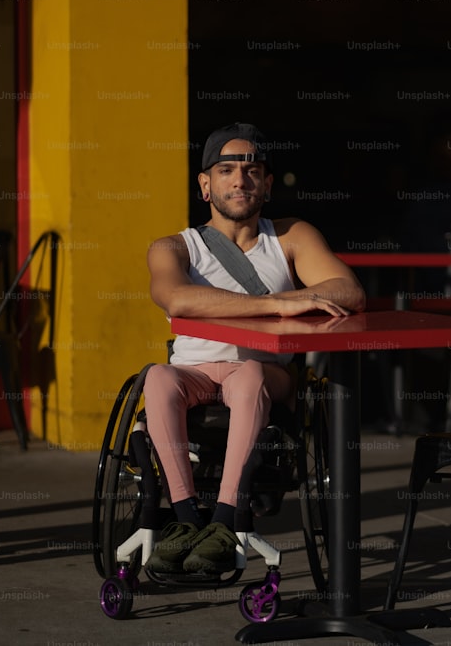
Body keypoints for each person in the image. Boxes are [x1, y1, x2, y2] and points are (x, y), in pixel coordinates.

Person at [142, 123, 366, 574]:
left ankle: (225, 520)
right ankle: (186, 520)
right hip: (194, 373)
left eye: (252, 171)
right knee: (158, 376)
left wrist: (287, 303)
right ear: (205, 185)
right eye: (226, 170)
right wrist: (281, 303)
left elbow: (349, 291)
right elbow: (178, 299)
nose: (240, 180)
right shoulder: (173, 246)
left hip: (265, 375)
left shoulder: (291, 236)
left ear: (266, 183)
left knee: (249, 375)